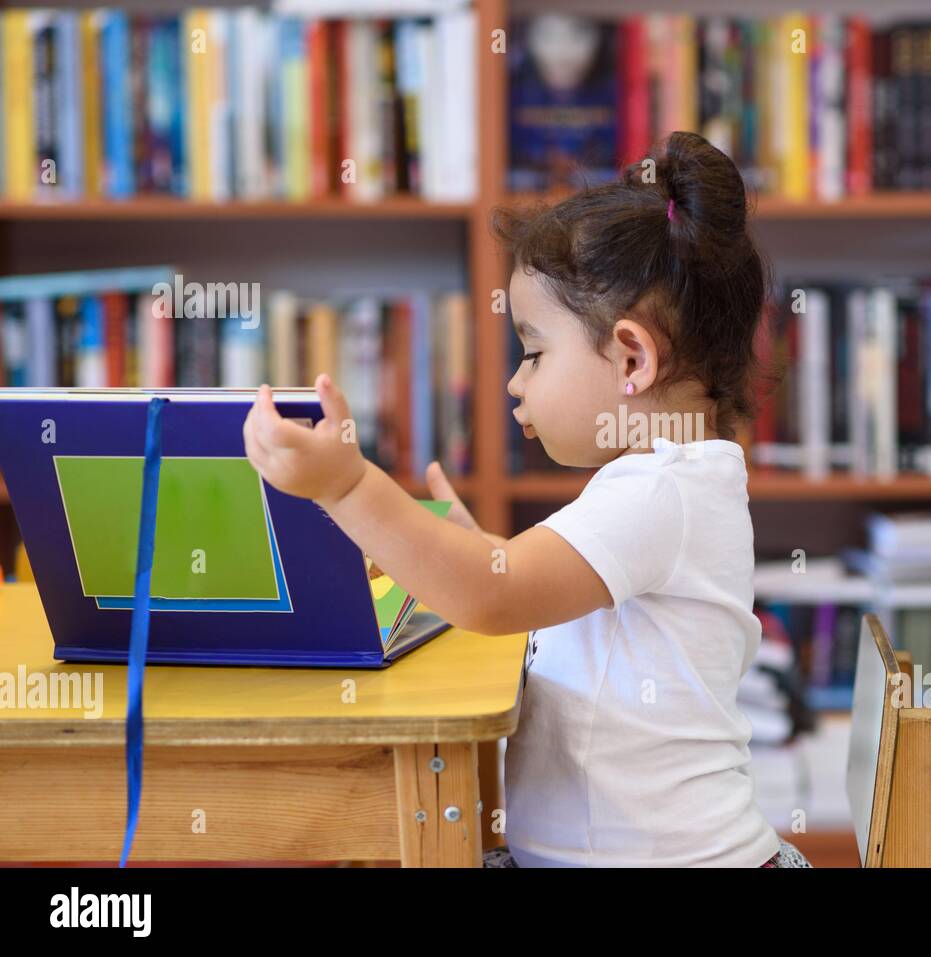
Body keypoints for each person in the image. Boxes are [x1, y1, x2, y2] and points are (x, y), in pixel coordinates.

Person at [242, 131, 812, 868]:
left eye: (535, 351)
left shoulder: (660, 492)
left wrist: (346, 485)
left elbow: (490, 596)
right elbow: (518, 585)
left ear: (632, 358)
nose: (517, 381)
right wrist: (486, 553)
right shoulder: (670, 480)